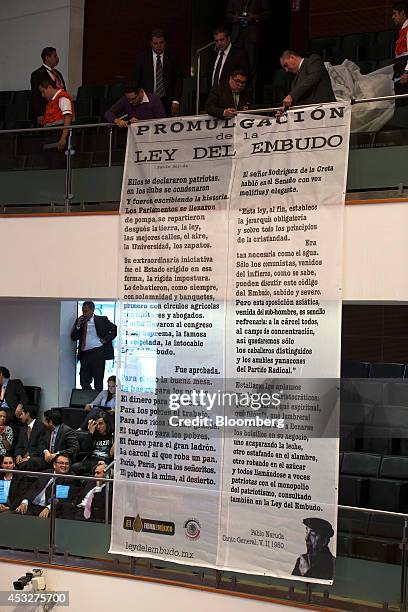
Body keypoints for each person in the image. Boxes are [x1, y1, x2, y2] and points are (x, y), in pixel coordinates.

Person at [70, 301, 117, 392]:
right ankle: (89, 399)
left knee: (98, 380)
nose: (84, 313)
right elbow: (73, 337)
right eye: (83, 311)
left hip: (98, 352)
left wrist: (106, 339)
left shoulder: (102, 320)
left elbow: (115, 329)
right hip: (85, 353)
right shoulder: (80, 321)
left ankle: (97, 402)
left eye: (86, 311)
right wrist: (78, 326)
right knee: (84, 380)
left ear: (92, 310)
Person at [134, 29, 183, 117]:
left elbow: (178, 81)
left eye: (161, 43)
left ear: (165, 42)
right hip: (147, 100)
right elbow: (136, 79)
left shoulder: (173, 58)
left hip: (167, 101)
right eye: (155, 43)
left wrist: (176, 101)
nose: (159, 46)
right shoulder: (142, 58)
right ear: (151, 43)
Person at [14, 452, 75, 518]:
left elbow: (60, 499)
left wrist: (49, 508)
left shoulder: (68, 479)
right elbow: (33, 488)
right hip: (31, 504)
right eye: (61, 463)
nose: (64, 465)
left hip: (46, 508)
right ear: (54, 465)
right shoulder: (46, 473)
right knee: (15, 515)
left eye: (67, 464)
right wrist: (25, 501)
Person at [226, 0, 271, 76]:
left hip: (252, 36)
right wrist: (234, 18)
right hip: (237, 36)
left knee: (251, 65)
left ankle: (252, 87)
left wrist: (255, 17)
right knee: (235, 64)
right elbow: (228, 14)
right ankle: (236, 86)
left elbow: (268, 13)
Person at [30, 47, 66, 126]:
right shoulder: (37, 74)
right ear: (47, 58)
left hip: (61, 111)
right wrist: (39, 114)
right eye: (55, 56)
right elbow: (35, 95)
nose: (57, 58)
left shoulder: (58, 73)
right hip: (47, 112)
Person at [38, 78, 74, 151]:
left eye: (43, 92)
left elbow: (68, 117)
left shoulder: (62, 97)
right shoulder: (51, 102)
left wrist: (63, 138)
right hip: (51, 140)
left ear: (49, 87)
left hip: (58, 141)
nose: (42, 95)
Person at [14, 406, 47, 470]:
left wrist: (29, 457)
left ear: (27, 414)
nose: (20, 417)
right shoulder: (23, 429)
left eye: (22, 414)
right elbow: (19, 446)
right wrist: (18, 455)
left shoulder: (41, 427)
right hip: (24, 458)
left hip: (36, 458)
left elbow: (42, 446)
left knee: (28, 463)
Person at [392, 2, 408, 97]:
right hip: (400, 73)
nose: (393, 17)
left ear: (402, 12)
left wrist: (407, 73)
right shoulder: (403, 30)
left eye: (395, 13)